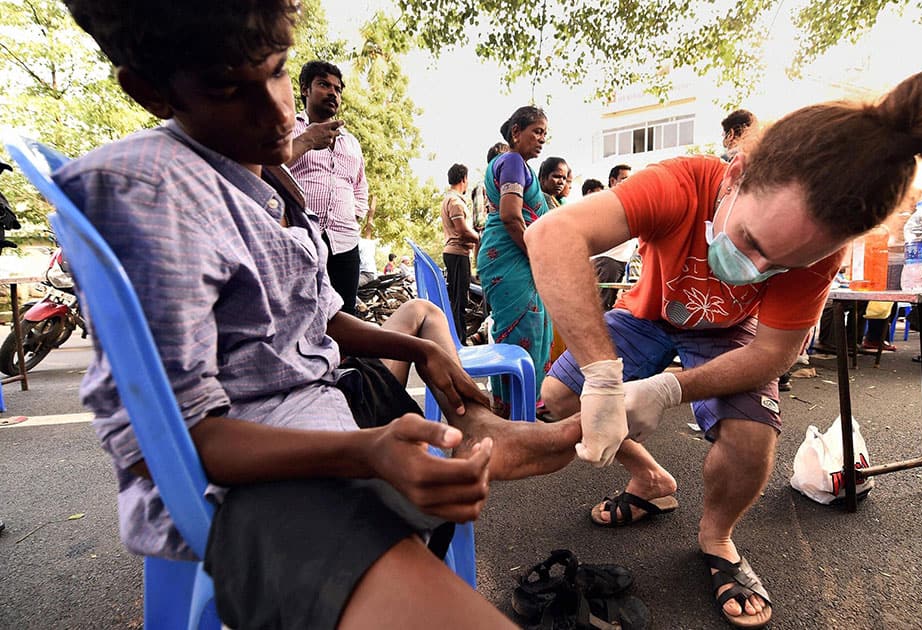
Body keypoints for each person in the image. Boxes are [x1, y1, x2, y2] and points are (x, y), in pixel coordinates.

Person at [57, 2, 582, 628]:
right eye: (230, 88)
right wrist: (363, 453)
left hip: (315, 392)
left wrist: (423, 351)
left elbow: (320, 312)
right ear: (149, 93)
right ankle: (469, 438)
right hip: (261, 479)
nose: (280, 110)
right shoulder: (150, 191)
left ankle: (475, 430)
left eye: (278, 72)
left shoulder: (255, 176)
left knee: (415, 336)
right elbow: (167, 444)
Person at [524, 58, 922, 628]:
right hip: (648, 316)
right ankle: (652, 478)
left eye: (780, 263)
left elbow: (774, 353)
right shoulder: (684, 180)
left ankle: (717, 538)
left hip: (731, 335)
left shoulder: (822, 253)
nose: (751, 268)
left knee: (751, 443)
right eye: (749, 239)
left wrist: (668, 390)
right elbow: (552, 235)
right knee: (558, 396)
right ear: (737, 174)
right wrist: (602, 379)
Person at [476, 106, 553, 416]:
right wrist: (536, 255)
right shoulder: (511, 161)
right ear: (516, 132)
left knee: (532, 327)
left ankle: (522, 403)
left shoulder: (514, 164)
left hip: (510, 255)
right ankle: (514, 409)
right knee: (522, 330)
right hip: (511, 255)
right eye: (537, 131)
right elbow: (511, 216)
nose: (542, 139)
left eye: (545, 134)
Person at [286, 60, 369, 317]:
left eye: (338, 88)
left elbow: (359, 187)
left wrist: (350, 220)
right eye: (323, 84)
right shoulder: (288, 128)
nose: (333, 92)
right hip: (299, 239)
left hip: (345, 244)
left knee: (346, 318)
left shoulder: (351, 143)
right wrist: (307, 140)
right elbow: (267, 170)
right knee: (300, 317)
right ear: (305, 89)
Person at [440, 163, 478, 343]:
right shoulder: (455, 201)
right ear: (464, 179)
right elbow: (462, 230)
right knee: (459, 302)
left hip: (457, 254)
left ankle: (458, 340)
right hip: (457, 254)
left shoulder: (451, 199)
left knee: (458, 300)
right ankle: (458, 342)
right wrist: (480, 238)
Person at [592, 164, 638, 311]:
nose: (629, 182)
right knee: (602, 309)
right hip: (608, 262)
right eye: (624, 179)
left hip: (623, 262)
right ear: (613, 181)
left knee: (614, 308)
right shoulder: (607, 201)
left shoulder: (628, 201)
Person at [358, 198, 378, 287]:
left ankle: (356, 302)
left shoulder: (358, 243)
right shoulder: (367, 242)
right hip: (369, 273)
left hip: (366, 274)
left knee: (348, 287)